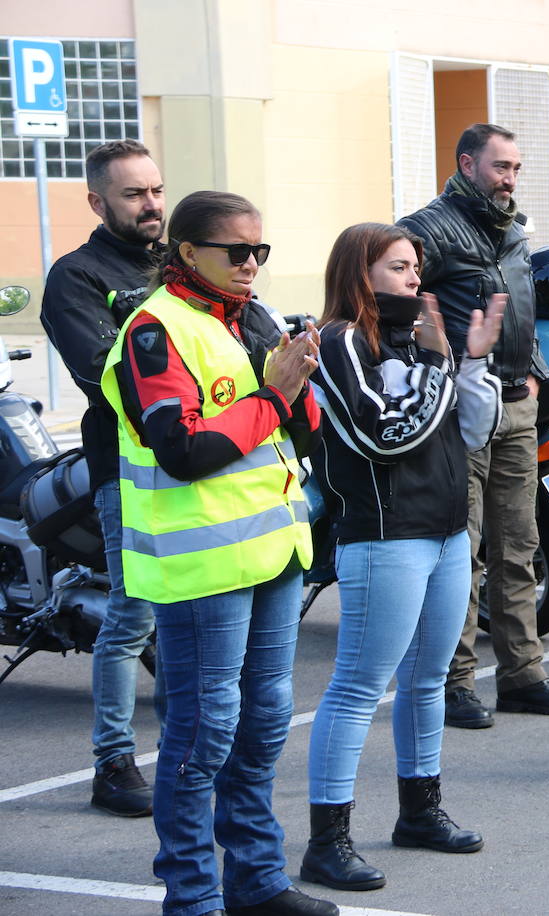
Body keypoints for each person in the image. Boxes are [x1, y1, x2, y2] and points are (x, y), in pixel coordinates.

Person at [101, 191, 336, 916]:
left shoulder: (249, 318)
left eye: (259, 251)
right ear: (187, 253)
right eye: (236, 251)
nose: (251, 265)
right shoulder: (153, 330)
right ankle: (192, 898)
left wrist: (300, 385)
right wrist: (272, 393)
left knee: (264, 722)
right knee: (204, 735)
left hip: (269, 552)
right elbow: (185, 451)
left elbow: (298, 431)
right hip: (201, 566)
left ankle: (258, 883)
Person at [301, 224, 504, 891]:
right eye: (398, 267)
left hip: (447, 531)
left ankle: (421, 812)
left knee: (428, 679)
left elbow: (472, 430)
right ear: (361, 274)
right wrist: (441, 365)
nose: (415, 279)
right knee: (360, 685)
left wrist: (470, 362)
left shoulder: (421, 341)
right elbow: (383, 433)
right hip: (385, 536)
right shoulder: (338, 342)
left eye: (416, 267)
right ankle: (327, 841)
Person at [400, 123, 549, 729]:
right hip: (461, 411)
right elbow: (396, 306)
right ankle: (450, 685)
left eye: (516, 169)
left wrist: (531, 371)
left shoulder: (511, 228)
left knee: (518, 545)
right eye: (501, 167)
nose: (510, 179)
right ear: (467, 163)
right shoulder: (426, 229)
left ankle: (523, 676)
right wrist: (440, 376)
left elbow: (521, 306)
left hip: (518, 404)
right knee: (462, 550)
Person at [40, 140, 164, 817]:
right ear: (98, 202)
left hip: (204, 462)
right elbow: (102, 371)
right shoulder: (77, 276)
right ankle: (112, 763)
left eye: (155, 190)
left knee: (197, 612)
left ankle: (192, 745)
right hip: (129, 465)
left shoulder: (180, 262)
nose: (151, 205)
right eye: (133, 194)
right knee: (134, 614)